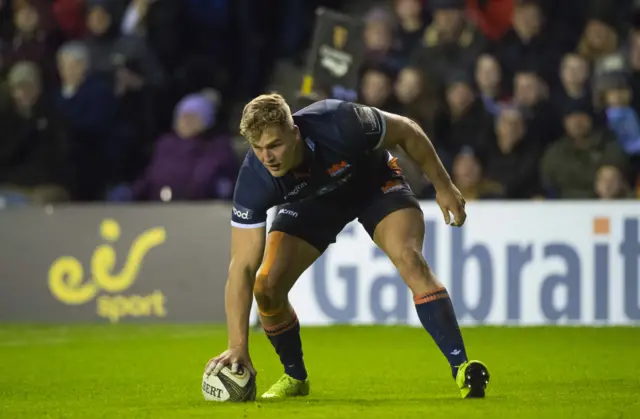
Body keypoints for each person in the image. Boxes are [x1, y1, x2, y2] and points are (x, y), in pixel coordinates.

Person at [204, 93, 490, 400]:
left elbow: (407, 130)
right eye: (258, 148)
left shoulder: (340, 121)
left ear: (295, 131)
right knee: (266, 287)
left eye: (274, 145)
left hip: (375, 185)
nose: (267, 157)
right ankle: (296, 377)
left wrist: (444, 185)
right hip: (312, 202)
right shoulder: (254, 180)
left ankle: (461, 367)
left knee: (410, 259)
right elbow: (242, 268)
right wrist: (238, 346)